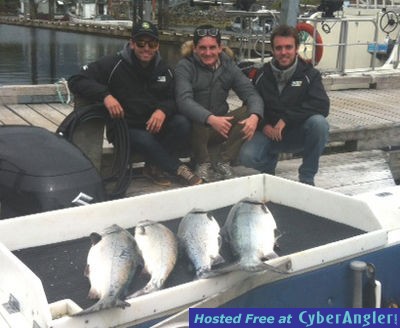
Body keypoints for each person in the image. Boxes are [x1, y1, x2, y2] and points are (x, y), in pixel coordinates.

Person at [68, 20, 202, 187]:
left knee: (182, 123)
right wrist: (106, 96)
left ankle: (153, 166)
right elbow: (76, 80)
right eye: (141, 43)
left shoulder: (165, 69)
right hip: (124, 128)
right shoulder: (112, 64)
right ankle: (179, 169)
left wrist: (163, 110)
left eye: (151, 43)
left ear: (157, 46)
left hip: (153, 126)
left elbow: (174, 98)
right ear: (132, 44)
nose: (146, 48)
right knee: (145, 139)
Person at [239, 24, 330, 186]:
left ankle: (307, 177)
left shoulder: (310, 74)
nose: (283, 52)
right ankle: (268, 166)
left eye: (288, 47)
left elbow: (322, 105)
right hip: (269, 133)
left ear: (296, 48)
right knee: (247, 156)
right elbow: (251, 104)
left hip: (296, 132)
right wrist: (265, 125)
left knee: (319, 124)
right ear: (272, 50)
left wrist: (287, 119)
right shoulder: (261, 75)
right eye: (279, 48)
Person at [174, 25, 264, 182]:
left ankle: (224, 160)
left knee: (250, 110)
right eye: (202, 48)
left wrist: (255, 116)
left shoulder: (229, 65)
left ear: (220, 48)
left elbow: (251, 93)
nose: (207, 53)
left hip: (220, 128)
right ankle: (203, 163)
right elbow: (183, 100)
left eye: (212, 47)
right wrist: (210, 118)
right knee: (194, 113)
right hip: (194, 131)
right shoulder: (185, 66)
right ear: (194, 48)